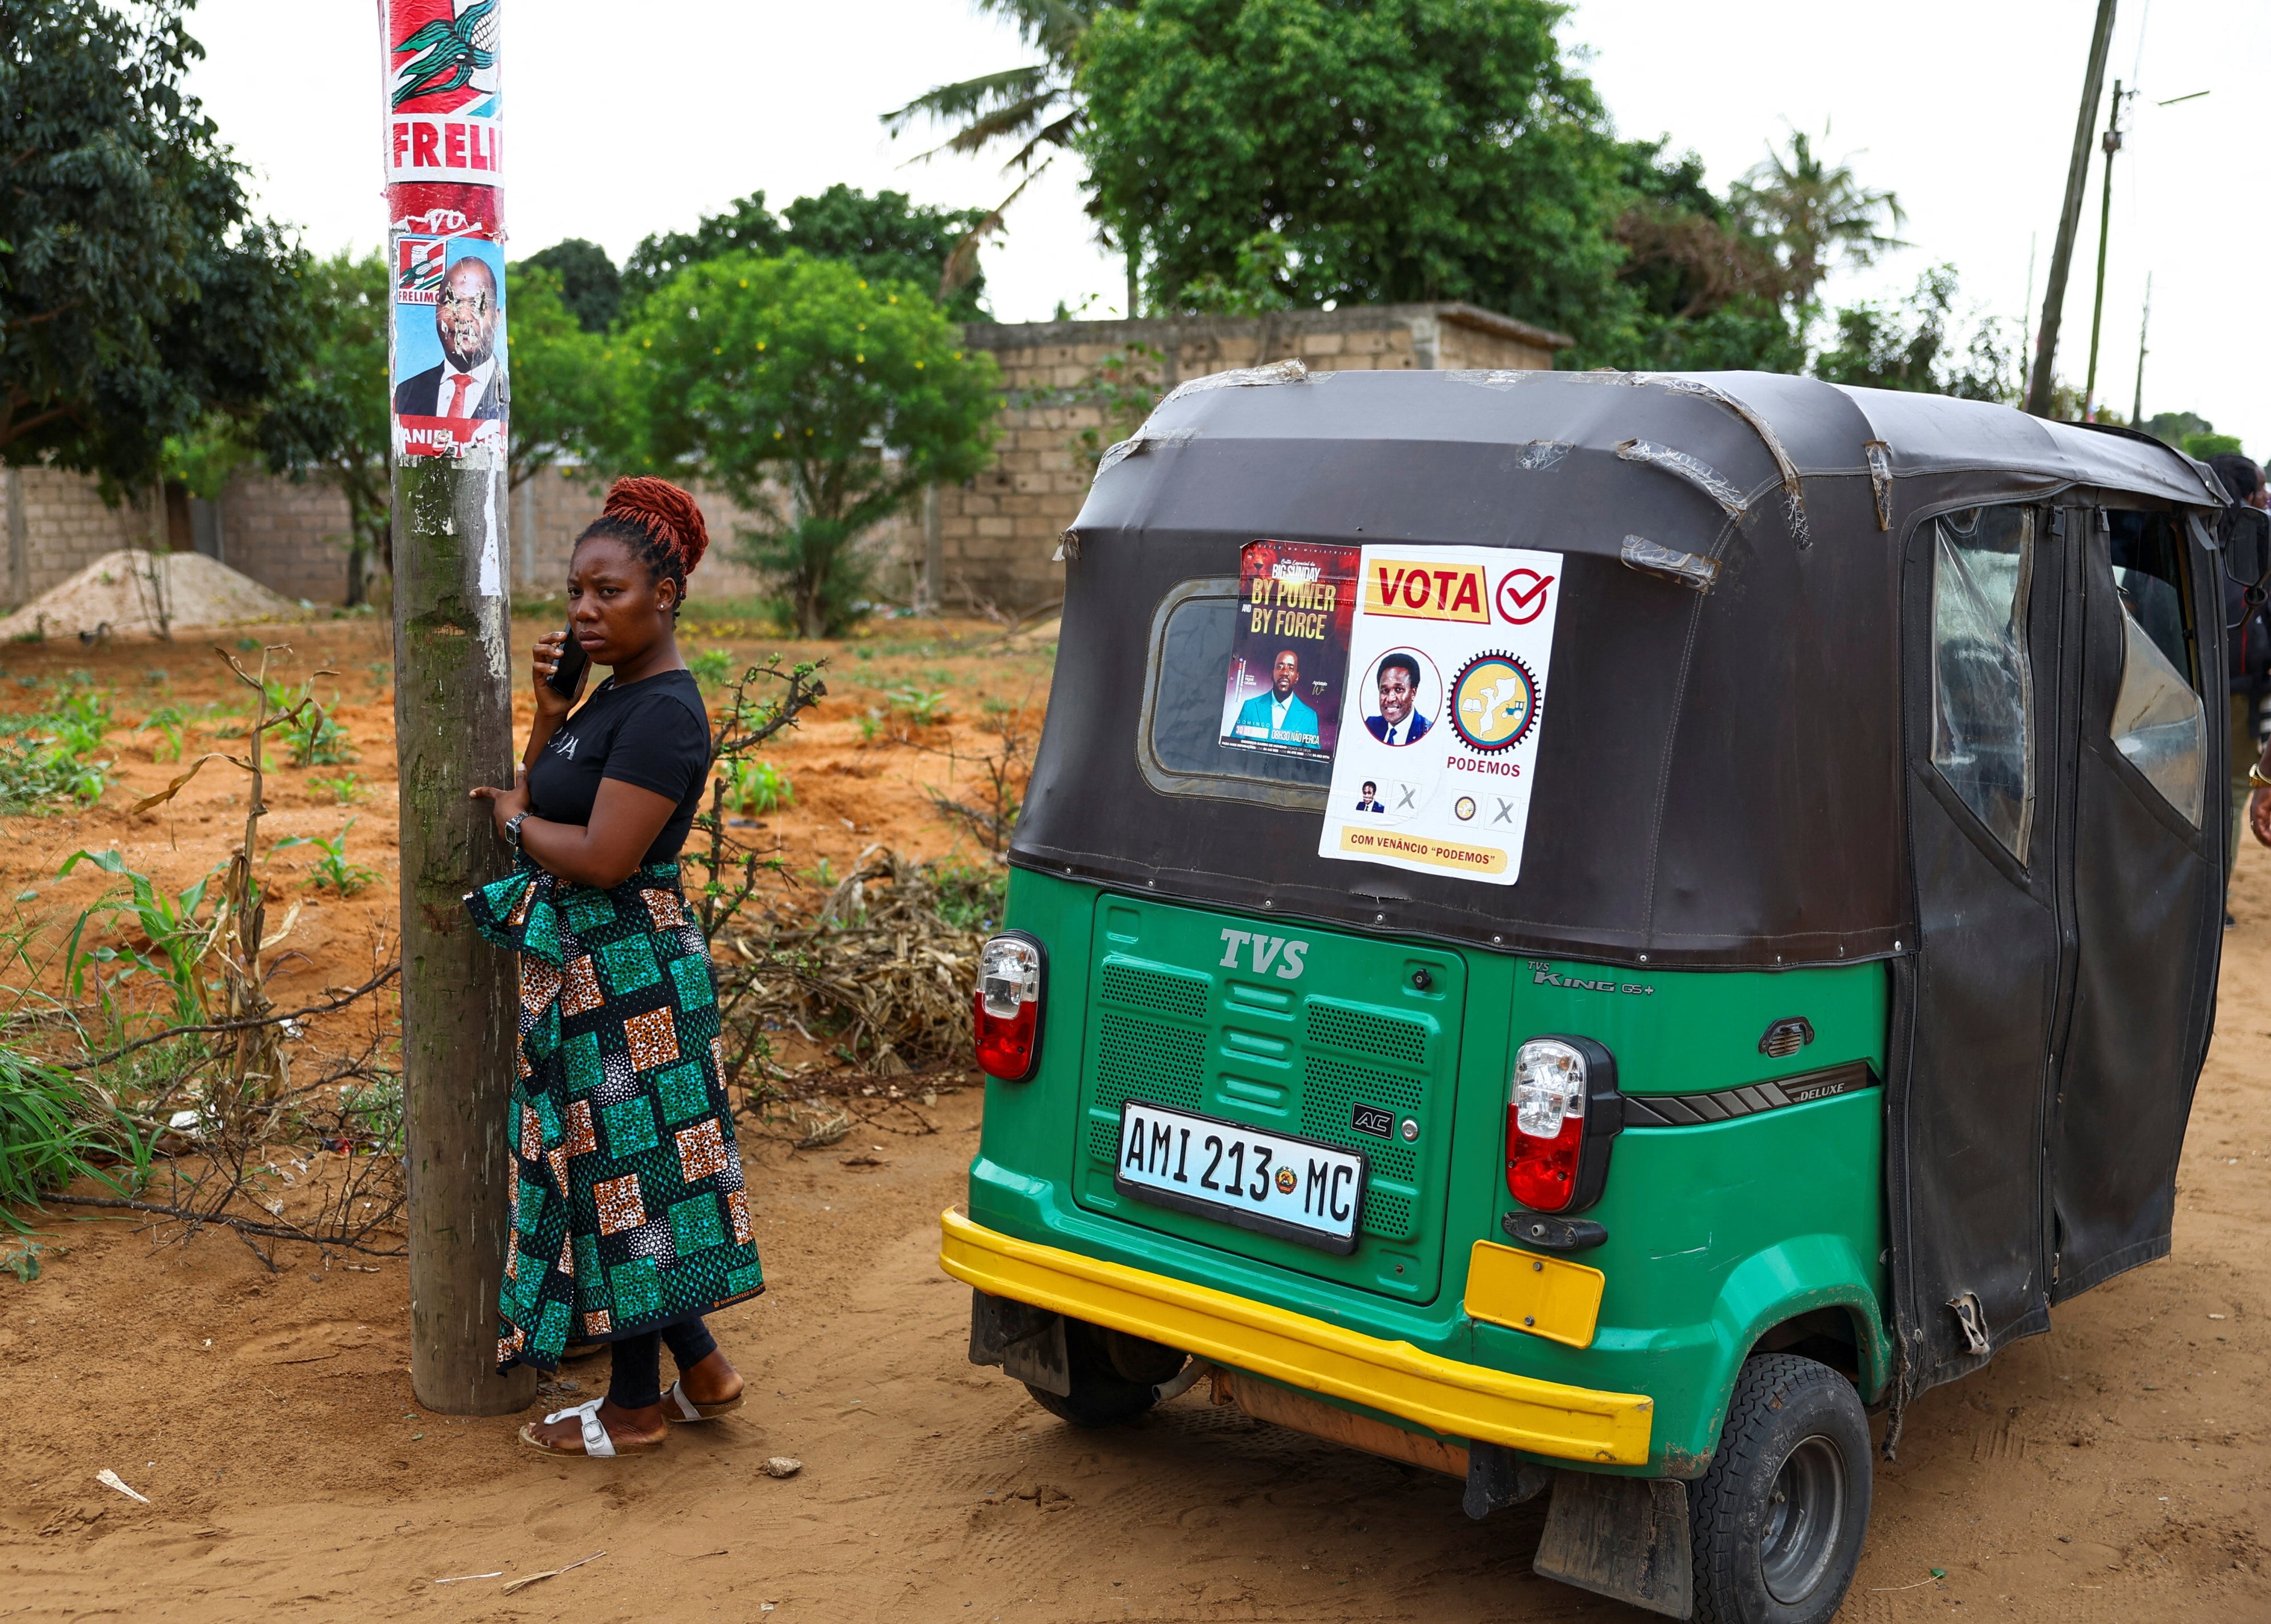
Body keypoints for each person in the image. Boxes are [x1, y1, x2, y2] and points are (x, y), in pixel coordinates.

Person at [465, 477, 759, 1458]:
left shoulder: (665, 714)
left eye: (610, 593)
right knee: (621, 1167)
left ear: (665, 596)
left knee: (619, 1176)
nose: (585, 612)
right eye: (575, 593)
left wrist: (513, 822)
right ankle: (702, 1366)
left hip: (632, 972)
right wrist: (551, 714)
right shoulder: (611, 700)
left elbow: (600, 856)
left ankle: (633, 1408)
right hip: (595, 967)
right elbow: (539, 786)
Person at [2212, 453, 2271, 918]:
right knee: (2233, 795)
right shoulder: (2253, 546)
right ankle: (2216, 901)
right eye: (2259, 490)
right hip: (2237, 690)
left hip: (2170, 679)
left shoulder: (2186, 525)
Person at [394, 256, 508, 420]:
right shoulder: (407, 392)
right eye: (450, 301)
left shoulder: (513, 394)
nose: (462, 315)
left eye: (477, 304)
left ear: (496, 318)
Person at [1232, 648, 1321, 747]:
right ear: (1272, 674)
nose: (1285, 673)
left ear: (1297, 677)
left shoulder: (1309, 717)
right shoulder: (1250, 707)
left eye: (1291, 668)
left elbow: (1311, 761)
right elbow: (1233, 751)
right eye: (1280, 667)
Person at [1364, 652, 1430, 746]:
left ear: (1413, 693)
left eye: (1399, 690)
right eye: (1385, 691)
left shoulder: (1427, 731)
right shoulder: (1371, 726)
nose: (1390, 699)